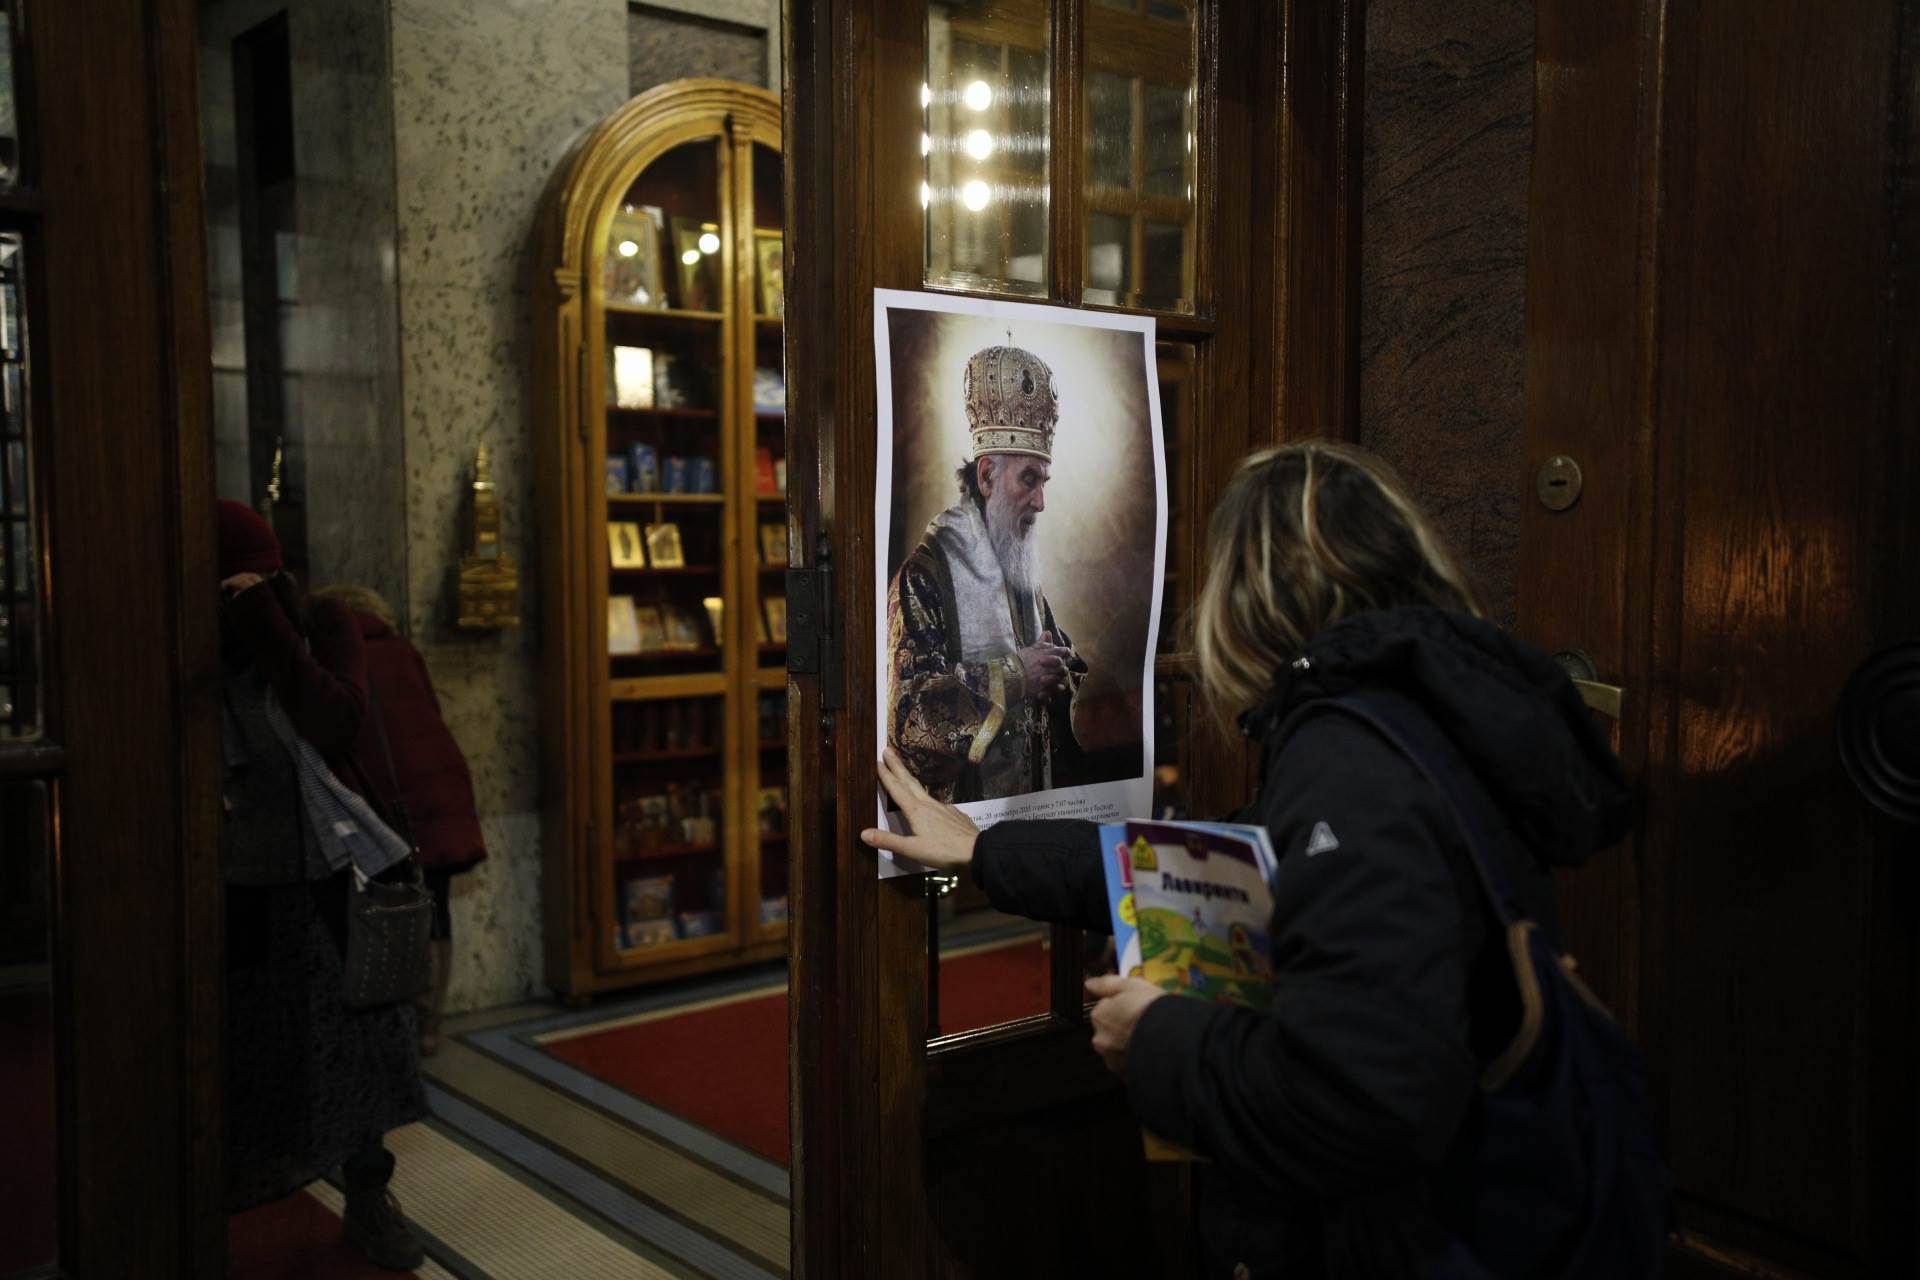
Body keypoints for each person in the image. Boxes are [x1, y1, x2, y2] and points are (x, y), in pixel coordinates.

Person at [863, 443, 1636, 1278]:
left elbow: (1363, 1101)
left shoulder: (1354, 764)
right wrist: (987, 848)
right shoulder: (1405, 715)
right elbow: (1230, 858)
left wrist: (1159, 1038)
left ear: (1250, 600)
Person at [215, 499, 428, 1271]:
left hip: (328, 882)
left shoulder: (322, 627)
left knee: (359, 1056)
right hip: (237, 888)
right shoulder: (188, 648)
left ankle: (370, 1198)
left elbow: (335, 723)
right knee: (249, 1059)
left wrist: (267, 627)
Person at [886, 341, 1087, 802]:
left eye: (1044, 481)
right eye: (1029, 480)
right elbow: (910, 717)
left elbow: (1054, 664)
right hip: (959, 830)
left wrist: (1062, 667)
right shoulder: (925, 577)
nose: (1040, 502)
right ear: (986, 476)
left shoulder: (1019, 572)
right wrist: (1017, 674)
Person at [313, 583, 488, 1056]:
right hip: (441, 791)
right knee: (434, 907)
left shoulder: (336, 660)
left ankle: (396, 1019)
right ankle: (429, 1025)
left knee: (383, 907)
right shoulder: (402, 650)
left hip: (395, 801)